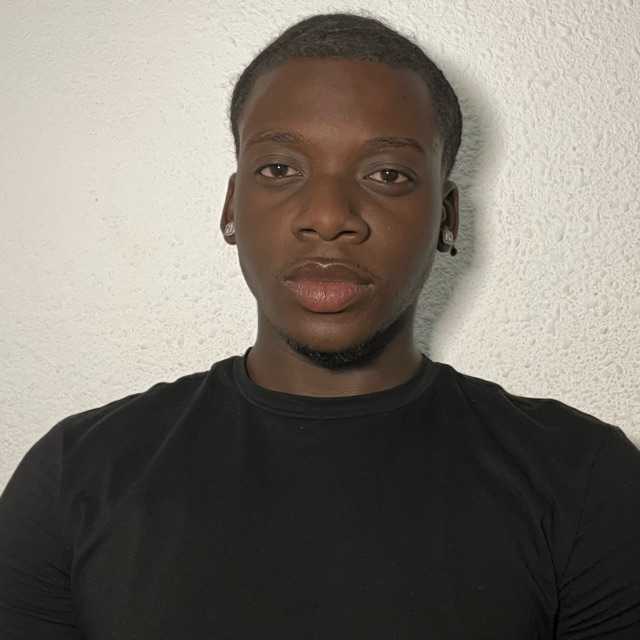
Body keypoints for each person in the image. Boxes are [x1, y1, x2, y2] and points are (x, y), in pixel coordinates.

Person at [1, 12, 639, 639]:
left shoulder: (585, 481)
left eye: (387, 174)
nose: (330, 217)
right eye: (280, 169)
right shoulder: (76, 475)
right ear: (231, 208)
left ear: (447, 218)